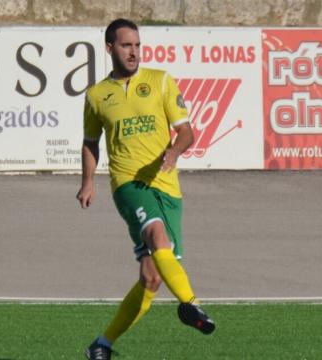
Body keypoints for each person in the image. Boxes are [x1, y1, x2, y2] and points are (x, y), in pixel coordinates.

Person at [77, 18, 215, 360]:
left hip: (167, 187)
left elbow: (186, 132)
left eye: (137, 45)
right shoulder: (97, 96)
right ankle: (191, 304)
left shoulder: (160, 81)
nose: (134, 52)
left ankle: (102, 344)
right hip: (128, 184)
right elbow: (90, 142)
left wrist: (174, 150)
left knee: (152, 279)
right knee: (156, 235)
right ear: (110, 48)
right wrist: (88, 181)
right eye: (126, 45)